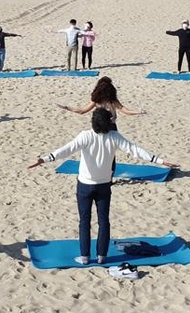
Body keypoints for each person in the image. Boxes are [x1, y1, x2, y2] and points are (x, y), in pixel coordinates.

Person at [28, 108, 178, 265]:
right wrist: (159, 161)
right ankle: (102, 257)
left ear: (93, 122)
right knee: (103, 221)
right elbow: (135, 150)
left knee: (84, 221)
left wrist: (44, 159)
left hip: (85, 186)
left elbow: (66, 150)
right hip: (104, 186)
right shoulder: (114, 137)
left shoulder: (85, 136)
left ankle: (85, 257)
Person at [57, 76, 144, 130]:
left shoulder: (97, 100)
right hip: (110, 126)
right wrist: (138, 112)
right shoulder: (112, 100)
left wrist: (67, 108)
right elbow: (126, 111)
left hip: (98, 127)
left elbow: (82, 111)